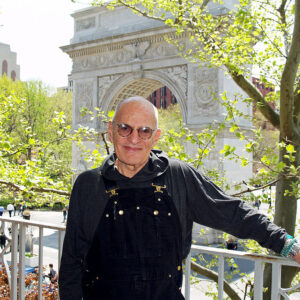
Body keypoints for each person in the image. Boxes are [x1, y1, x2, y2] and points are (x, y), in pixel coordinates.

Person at [59, 96, 300, 300]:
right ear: (111, 131)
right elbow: (71, 261)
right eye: (125, 128)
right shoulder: (87, 185)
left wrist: (288, 245)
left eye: (144, 131)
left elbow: (233, 212)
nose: (134, 139)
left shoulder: (178, 176)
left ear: (156, 136)